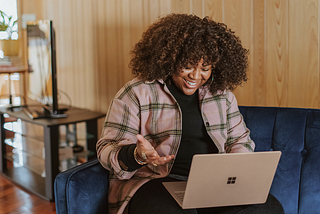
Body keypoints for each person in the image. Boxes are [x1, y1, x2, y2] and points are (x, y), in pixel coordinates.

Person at [96, 13, 284, 214]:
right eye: (187, 66)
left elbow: (240, 141)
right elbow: (106, 149)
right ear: (170, 60)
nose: (195, 76)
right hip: (155, 182)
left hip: (212, 185)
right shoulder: (137, 93)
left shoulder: (223, 96)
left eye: (205, 68)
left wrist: (235, 170)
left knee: (269, 208)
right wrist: (137, 155)